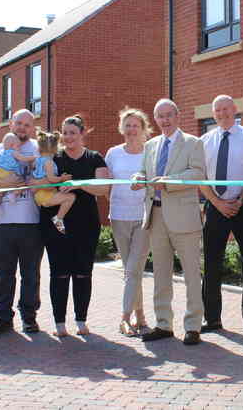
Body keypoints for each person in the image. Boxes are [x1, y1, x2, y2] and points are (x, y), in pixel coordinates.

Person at [132, 98, 206, 345]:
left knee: (191, 274)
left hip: (184, 218)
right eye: (160, 116)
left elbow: (198, 174)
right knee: (161, 274)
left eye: (168, 115)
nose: (164, 120)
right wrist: (138, 177)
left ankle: (193, 326)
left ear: (178, 116)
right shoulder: (150, 145)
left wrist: (169, 181)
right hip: (156, 216)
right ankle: (163, 324)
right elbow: (144, 172)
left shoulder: (193, 143)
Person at [39, 114, 110, 337]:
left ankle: (81, 320)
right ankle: (60, 323)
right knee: (59, 273)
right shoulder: (54, 158)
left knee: (82, 273)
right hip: (56, 224)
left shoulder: (94, 158)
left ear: (82, 133)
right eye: (65, 133)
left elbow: (103, 189)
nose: (68, 137)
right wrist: (57, 186)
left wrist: (78, 184)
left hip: (86, 225)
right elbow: (42, 185)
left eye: (72, 132)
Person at [199, 95, 243, 335]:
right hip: (215, 208)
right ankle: (212, 318)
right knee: (212, 263)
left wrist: (238, 201)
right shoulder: (204, 140)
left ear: (235, 110)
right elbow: (200, 178)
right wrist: (217, 202)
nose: (222, 114)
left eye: (226, 109)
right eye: (217, 110)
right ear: (213, 113)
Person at [0, 109, 44, 335]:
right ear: (11, 125)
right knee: (4, 274)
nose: (22, 128)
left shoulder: (38, 149)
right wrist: (4, 182)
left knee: (31, 274)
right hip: (1, 223)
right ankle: (4, 318)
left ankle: (29, 317)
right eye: (18, 123)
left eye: (27, 124)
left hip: (32, 222)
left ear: (33, 128)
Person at [105, 108, 152, 337]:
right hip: (118, 217)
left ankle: (124, 318)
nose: (132, 129)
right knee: (132, 270)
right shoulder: (113, 153)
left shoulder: (150, 152)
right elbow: (106, 187)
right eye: (128, 125)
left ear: (143, 129)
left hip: (144, 217)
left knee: (133, 270)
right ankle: (141, 315)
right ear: (122, 128)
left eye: (136, 125)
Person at [0, 132, 37, 216]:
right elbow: (23, 158)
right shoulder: (13, 152)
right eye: (18, 146)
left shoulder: (0, 153)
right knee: (22, 183)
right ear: (11, 145)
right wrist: (33, 157)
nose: (19, 149)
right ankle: (13, 194)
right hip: (9, 172)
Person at [31, 129, 73, 234]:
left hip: (39, 195)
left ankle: (58, 218)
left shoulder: (37, 160)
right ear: (55, 148)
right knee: (71, 197)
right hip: (45, 195)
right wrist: (62, 179)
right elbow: (51, 179)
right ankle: (58, 218)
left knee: (64, 195)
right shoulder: (49, 162)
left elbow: (34, 173)